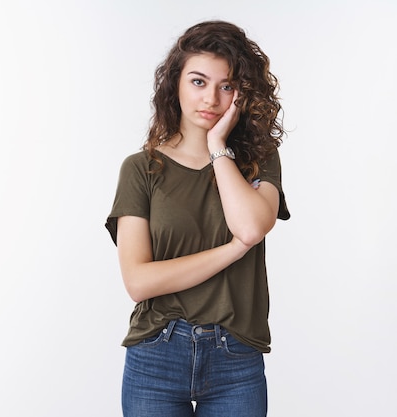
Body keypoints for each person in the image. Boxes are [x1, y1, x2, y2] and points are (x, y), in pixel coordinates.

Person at [105, 20, 290, 416]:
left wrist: (217, 146)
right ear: (175, 84)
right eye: (198, 82)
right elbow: (138, 282)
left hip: (236, 358)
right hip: (157, 354)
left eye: (226, 87)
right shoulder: (141, 169)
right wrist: (234, 250)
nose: (211, 98)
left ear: (241, 95)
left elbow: (252, 226)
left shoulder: (258, 160)